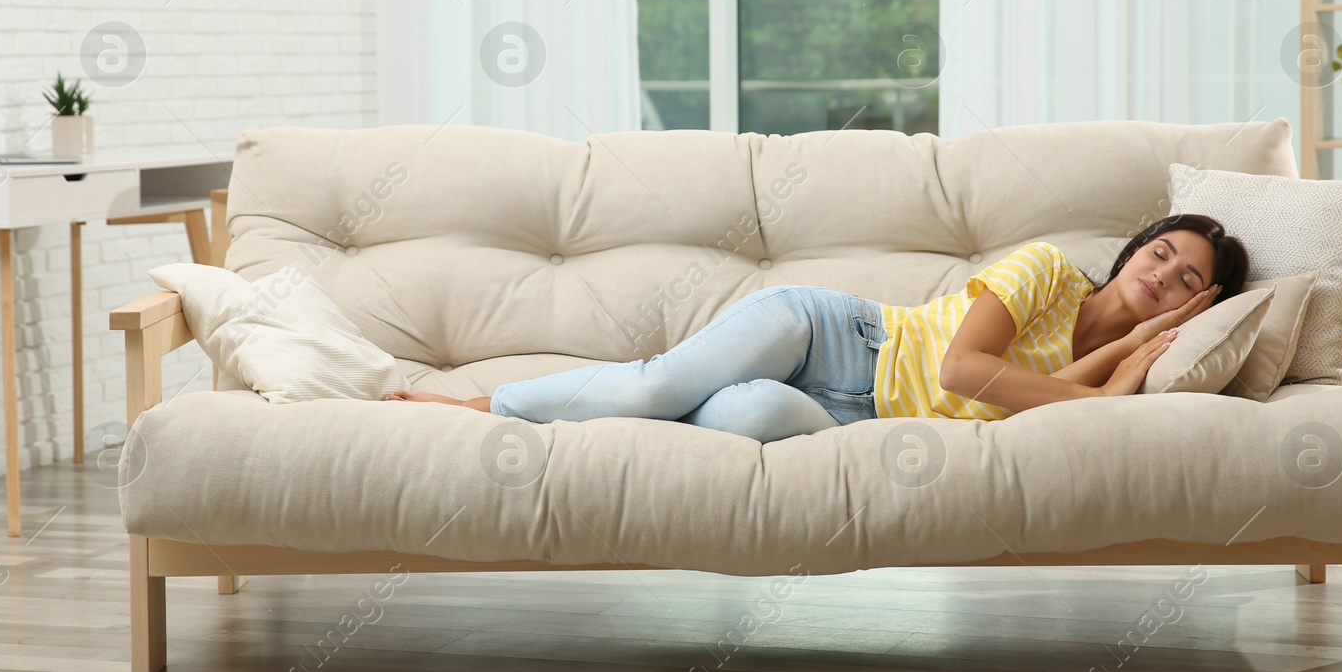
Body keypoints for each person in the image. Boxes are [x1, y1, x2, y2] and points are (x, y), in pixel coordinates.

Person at [385, 213, 1249, 442]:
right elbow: (958, 369)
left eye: (1186, 282)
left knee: (744, 418)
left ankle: (563, 413)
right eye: (1162, 251)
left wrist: (1137, 351)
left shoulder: (1108, 364)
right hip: (832, 337)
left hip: (852, 418)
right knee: (653, 388)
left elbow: (1090, 414)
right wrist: (1106, 369)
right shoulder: (1046, 268)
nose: (1163, 274)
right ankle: (474, 406)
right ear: (1135, 245)